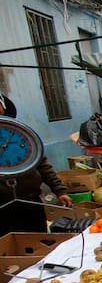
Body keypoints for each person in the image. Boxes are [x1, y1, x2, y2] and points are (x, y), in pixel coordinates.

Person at [0, 94, 72, 234]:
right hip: (2, 206)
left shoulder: (21, 134)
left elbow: (43, 165)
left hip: (30, 201)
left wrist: (59, 190)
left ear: (4, 106)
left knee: (39, 241)